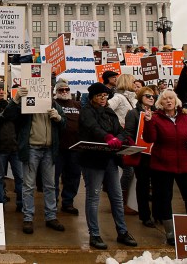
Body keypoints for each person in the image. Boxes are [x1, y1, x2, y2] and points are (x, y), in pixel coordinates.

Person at [78, 83, 137, 250]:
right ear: (92, 97)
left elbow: (120, 129)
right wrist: (108, 137)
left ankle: (122, 231)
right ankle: (94, 234)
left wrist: (121, 138)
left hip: (110, 160)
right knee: (93, 197)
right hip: (92, 161)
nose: (103, 99)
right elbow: (93, 127)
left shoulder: (110, 112)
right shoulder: (87, 112)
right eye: (99, 96)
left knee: (117, 197)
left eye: (105, 96)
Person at [4, 84, 66, 235]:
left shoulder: (55, 106)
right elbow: (8, 115)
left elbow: (64, 124)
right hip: (32, 148)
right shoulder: (27, 105)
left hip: (49, 150)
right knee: (29, 185)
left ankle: (51, 216)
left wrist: (58, 119)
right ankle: (28, 218)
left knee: (50, 185)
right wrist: (17, 99)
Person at [142, 90, 187, 245]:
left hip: (184, 163)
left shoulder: (186, 118)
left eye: (171, 98)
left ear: (176, 101)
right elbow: (149, 139)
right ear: (160, 103)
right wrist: (147, 122)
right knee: (164, 199)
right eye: (165, 99)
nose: (169, 101)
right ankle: (170, 232)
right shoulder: (155, 118)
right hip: (162, 164)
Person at [124, 86, 157, 228]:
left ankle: (158, 213)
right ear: (140, 98)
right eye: (147, 96)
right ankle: (145, 215)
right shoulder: (133, 113)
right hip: (142, 154)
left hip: (156, 154)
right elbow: (128, 133)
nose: (151, 98)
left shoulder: (157, 113)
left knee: (157, 185)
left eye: (153, 96)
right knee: (143, 184)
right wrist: (134, 144)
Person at [107, 74, 138, 215]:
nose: (135, 83)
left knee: (129, 170)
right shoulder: (118, 98)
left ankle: (120, 201)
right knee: (128, 170)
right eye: (133, 81)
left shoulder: (133, 99)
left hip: (129, 139)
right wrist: (117, 125)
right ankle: (119, 202)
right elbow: (106, 110)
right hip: (121, 139)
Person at [0, 81, 22, 211]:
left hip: (14, 147)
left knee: (20, 178)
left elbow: (19, 122)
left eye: (3, 89)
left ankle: (21, 203)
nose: (1, 91)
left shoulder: (12, 105)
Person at [53, 79, 82, 215]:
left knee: (73, 176)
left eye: (66, 89)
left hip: (75, 147)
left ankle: (68, 202)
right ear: (56, 92)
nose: (64, 91)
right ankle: (52, 203)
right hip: (57, 148)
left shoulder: (77, 104)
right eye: (61, 90)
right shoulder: (53, 104)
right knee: (53, 177)